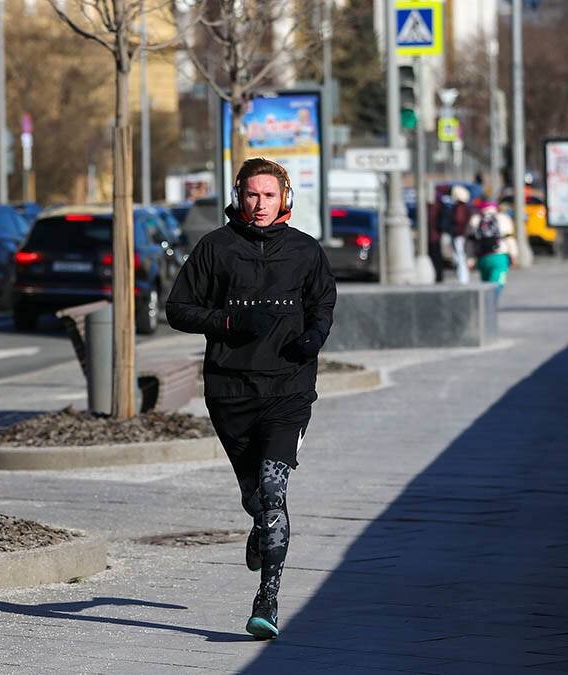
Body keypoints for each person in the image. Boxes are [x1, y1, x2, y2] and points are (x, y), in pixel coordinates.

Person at [165, 158, 336, 640]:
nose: (259, 205)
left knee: (274, 488)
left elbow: (324, 302)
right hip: (231, 389)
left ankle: (268, 598)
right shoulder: (215, 248)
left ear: (284, 197)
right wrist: (228, 322)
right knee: (256, 497)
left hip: (288, 388)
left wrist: (315, 336)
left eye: (268, 195)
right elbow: (178, 308)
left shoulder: (305, 250)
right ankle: (261, 527)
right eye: (251, 195)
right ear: (239, 196)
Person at [469, 200, 518, 298]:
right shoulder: (503, 218)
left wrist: (470, 259)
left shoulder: (475, 219)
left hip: (482, 258)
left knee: (485, 285)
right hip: (499, 257)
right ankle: (491, 305)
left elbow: (471, 241)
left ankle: (485, 305)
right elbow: (509, 239)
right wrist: (513, 254)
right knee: (497, 284)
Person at [448, 185, 473, 283]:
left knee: (460, 257)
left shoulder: (459, 207)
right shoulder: (466, 207)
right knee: (461, 257)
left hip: (460, 236)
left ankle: (463, 279)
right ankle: (463, 277)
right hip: (463, 235)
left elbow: (459, 220)